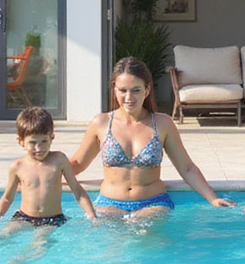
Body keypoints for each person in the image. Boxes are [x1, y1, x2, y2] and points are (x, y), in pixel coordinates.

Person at [71, 57, 235, 217]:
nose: (129, 98)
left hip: (153, 205)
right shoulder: (101, 123)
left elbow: (187, 168)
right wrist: (55, 172)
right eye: (123, 90)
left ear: (147, 90)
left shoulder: (163, 124)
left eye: (136, 90)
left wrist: (212, 199)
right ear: (114, 90)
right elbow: (77, 163)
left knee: (144, 229)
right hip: (109, 204)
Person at [0, 106, 96, 234]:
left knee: (40, 240)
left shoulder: (59, 160)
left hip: (52, 219)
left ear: (52, 138)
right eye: (32, 142)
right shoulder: (17, 167)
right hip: (24, 217)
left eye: (44, 141)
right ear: (21, 141)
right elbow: (7, 198)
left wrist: (92, 215)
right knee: (1, 237)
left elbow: (77, 190)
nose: (39, 148)